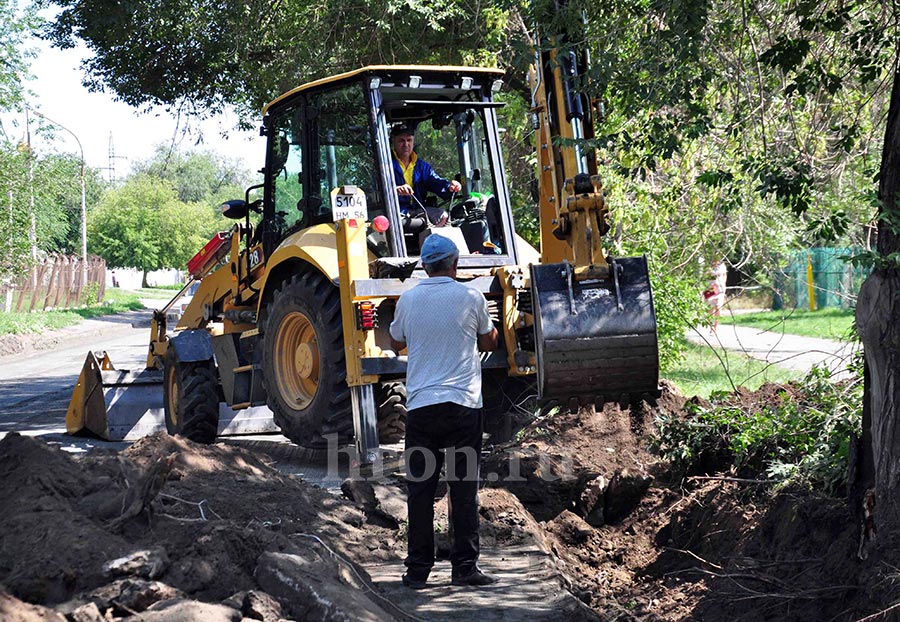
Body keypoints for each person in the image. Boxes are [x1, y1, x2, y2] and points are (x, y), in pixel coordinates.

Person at [389, 234, 499, 589]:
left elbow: (396, 340)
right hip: (463, 407)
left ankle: (417, 571)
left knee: (421, 492)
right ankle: (465, 568)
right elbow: (487, 341)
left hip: (422, 408)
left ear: (424, 264)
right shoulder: (471, 296)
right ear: (455, 264)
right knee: (464, 490)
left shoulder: (408, 299)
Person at [391, 124, 461, 226]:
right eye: (401, 140)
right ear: (394, 143)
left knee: (444, 216)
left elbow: (437, 182)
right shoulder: (385, 165)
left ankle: (431, 242)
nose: (406, 144)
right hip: (395, 212)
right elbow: (377, 192)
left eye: (409, 140)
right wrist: (396, 189)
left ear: (413, 143)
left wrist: (450, 187)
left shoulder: (422, 166)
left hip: (419, 209)